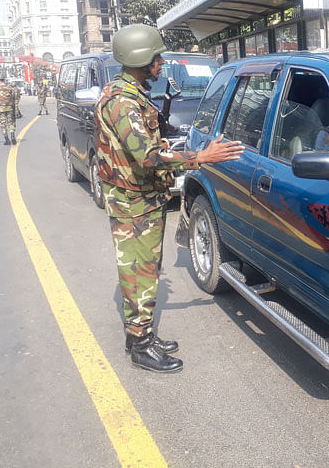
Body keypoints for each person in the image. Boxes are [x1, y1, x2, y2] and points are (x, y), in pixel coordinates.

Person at [95, 23, 244, 374]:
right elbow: (146, 157)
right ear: (140, 59)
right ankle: (140, 345)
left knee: (147, 269)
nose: (161, 63)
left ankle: (142, 335)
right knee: (138, 272)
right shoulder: (121, 102)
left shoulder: (132, 93)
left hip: (143, 200)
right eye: (156, 57)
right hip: (133, 205)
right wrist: (200, 158)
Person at [0, 78, 16, 145]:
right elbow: (13, 97)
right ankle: (12, 135)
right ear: (3, 81)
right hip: (9, 108)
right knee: (11, 122)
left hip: (1, 109)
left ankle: (7, 140)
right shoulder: (9, 88)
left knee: (3, 125)